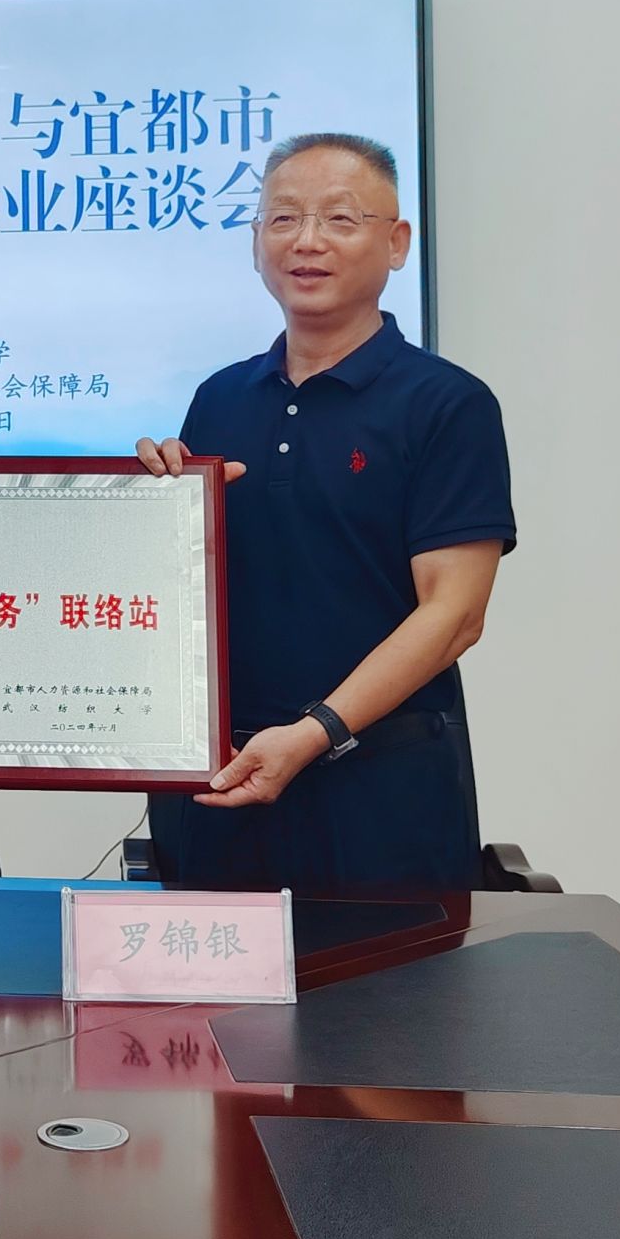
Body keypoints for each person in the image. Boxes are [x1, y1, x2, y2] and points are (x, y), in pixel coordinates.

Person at [137, 133, 515, 894]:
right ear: (255, 243)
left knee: (389, 978)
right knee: (209, 974)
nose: (306, 241)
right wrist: (152, 506)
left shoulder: (448, 404)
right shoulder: (219, 398)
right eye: (283, 219)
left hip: (380, 788)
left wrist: (317, 732)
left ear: (396, 242)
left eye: (340, 219)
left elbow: (455, 614)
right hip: (221, 781)